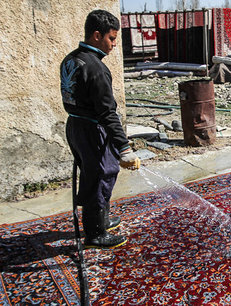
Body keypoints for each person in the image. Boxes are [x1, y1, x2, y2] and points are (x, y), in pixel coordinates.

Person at [60, 10, 140, 249]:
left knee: (93, 171)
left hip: (76, 126)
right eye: (111, 38)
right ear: (97, 35)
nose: (114, 44)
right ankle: (95, 233)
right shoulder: (96, 68)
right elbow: (107, 112)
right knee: (100, 176)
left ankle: (101, 218)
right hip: (93, 129)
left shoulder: (72, 59)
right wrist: (124, 148)